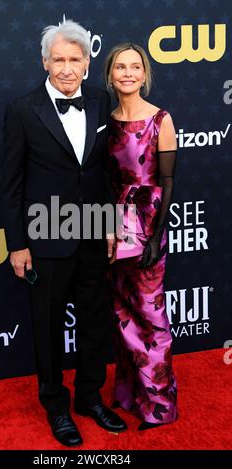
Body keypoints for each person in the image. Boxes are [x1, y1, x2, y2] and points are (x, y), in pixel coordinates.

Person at [2, 20, 127, 447]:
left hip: (92, 232)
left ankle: (89, 397)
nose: (67, 67)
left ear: (88, 64)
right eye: (59, 59)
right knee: (48, 326)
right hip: (45, 234)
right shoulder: (23, 109)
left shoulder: (99, 99)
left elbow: (104, 173)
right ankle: (56, 407)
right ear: (44, 62)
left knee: (95, 322)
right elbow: (12, 184)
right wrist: (17, 244)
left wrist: (110, 225)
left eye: (75, 59)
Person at [105, 43, 178, 430]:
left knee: (150, 316)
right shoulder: (107, 119)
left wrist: (156, 235)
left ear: (145, 74)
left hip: (148, 223)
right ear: (110, 74)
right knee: (120, 311)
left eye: (136, 67)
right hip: (113, 226)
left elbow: (167, 181)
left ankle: (159, 404)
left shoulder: (160, 119)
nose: (129, 73)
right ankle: (129, 393)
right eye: (121, 67)